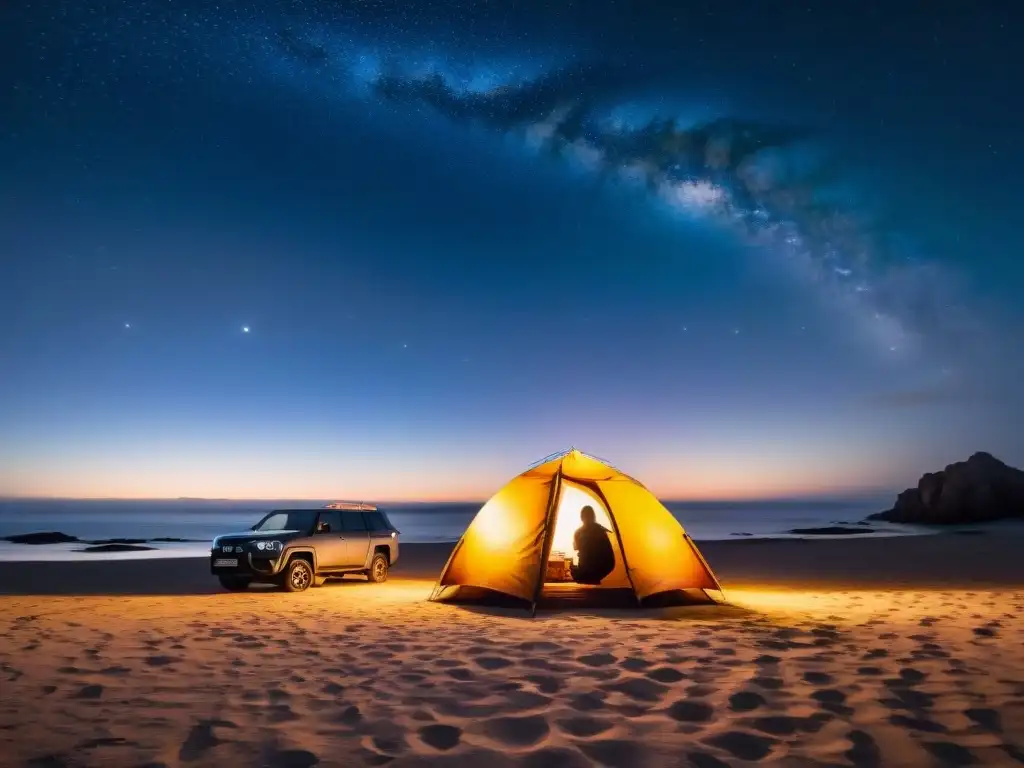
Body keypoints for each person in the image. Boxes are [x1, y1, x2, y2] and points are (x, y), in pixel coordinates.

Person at [570, 505, 615, 585]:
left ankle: (586, 574)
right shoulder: (599, 531)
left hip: (594, 568)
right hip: (594, 569)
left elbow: (576, 547)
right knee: (578, 572)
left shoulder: (597, 532)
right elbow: (576, 547)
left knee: (577, 572)